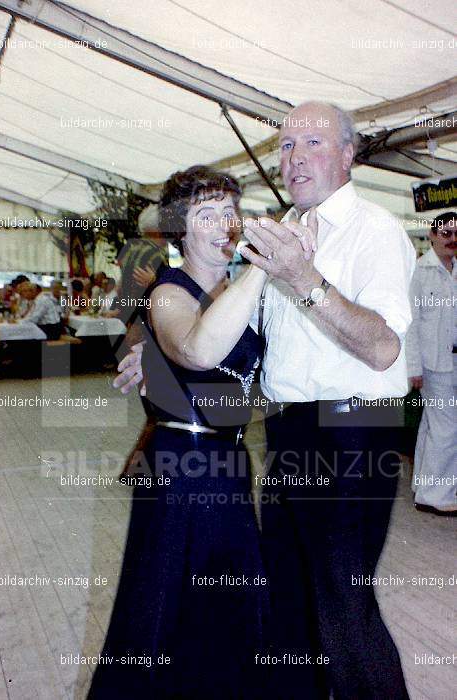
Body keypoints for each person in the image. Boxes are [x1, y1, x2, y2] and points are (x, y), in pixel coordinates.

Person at [89, 166, 316, 699]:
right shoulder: (170, 289)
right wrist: (262, 267)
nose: (223, 223)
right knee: (162, 603)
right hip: (179, 467)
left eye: (229, 211)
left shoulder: (243, 294)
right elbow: (196, 349)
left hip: (229, 465)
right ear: (180, 230)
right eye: (205, 213)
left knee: (228, 602)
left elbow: (251, 379)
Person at [239, 101, 415, 699]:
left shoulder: (376, 231)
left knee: (342, 599)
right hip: (289, 429)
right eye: (286, 146)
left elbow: (384, 348)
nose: (294, 159)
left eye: (312, 144)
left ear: (348, 155)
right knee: (286, 592)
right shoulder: (282, 235)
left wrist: (304, 280)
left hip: (355, 423)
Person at [407, 212, 457, 515]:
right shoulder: (419, 272)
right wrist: (412, 367)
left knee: (432, 425)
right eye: (446, 233)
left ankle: (423, 485)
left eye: (456, 233)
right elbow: (410, 324)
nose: (453, 239)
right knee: (447, 428)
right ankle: (436, 496)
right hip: (431, 364)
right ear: (432, 236)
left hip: (452, 361)